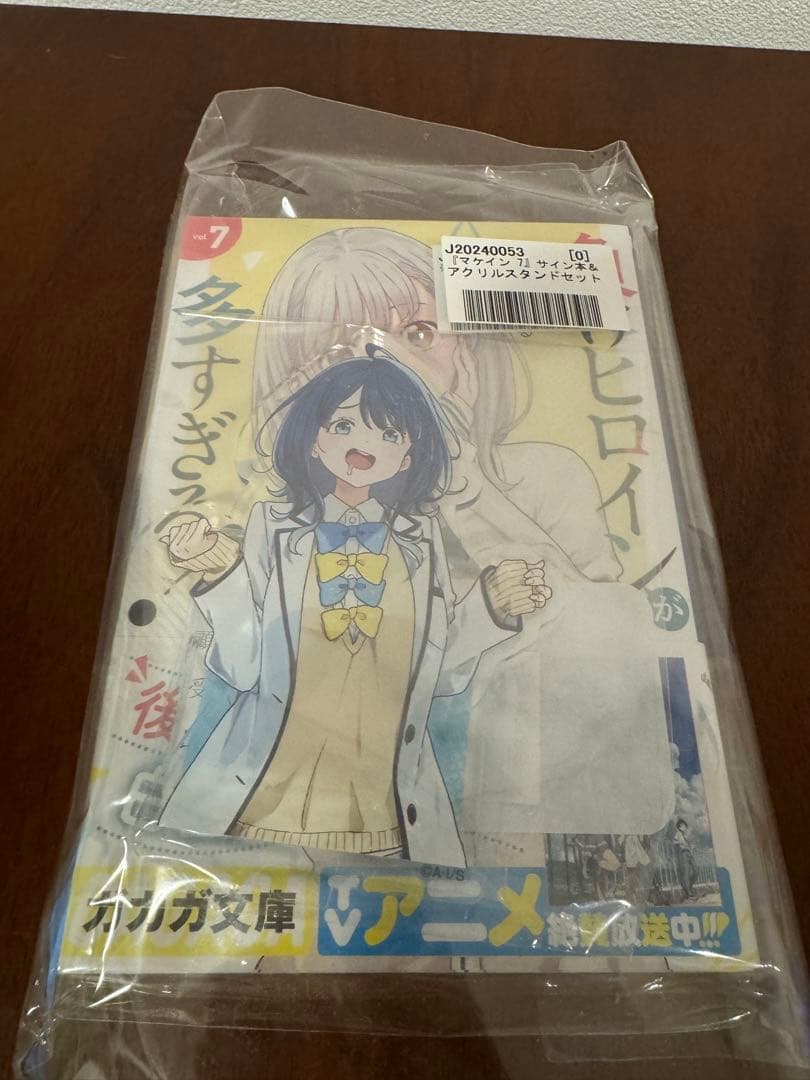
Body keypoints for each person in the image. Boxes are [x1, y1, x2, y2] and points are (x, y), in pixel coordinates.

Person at [247, 226, 674, 863]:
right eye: (344, 350)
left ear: (465, 351)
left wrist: (459, 473)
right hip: (326, 802)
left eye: (419, 335)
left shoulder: (542, 476)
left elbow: (604, 648)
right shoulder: (282, 522)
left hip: (529, 811)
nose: (390, 369)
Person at [158, 347, 550, 868]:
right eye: (342, 426)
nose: (363, 446)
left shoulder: (420, 537)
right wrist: (222, 574)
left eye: (389, 434)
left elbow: (438, 676)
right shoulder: (271, 525)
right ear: (312, 439)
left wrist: (489, 608)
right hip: (262, 795)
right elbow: (242, 667)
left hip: (386, 804)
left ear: (408, 456)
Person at [672, 817, 698, 901]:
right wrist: (680, 842)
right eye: (683, 826)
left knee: (696, 871)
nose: (685, 827)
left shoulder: (685, 835)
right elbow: (674, 842)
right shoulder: (678, 833)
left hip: (689, 853)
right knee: (686, 872)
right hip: (683, 853)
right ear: (679, 827)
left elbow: (688, 844)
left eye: (685, 826)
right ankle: (689, 893)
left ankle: (688, 887)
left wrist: (691, 847)